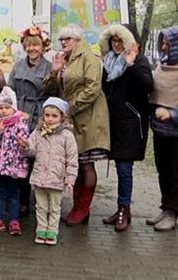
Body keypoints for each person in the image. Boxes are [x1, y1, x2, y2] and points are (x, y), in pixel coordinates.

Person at [44, 24, 110, 226]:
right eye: (61, 39)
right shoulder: (64, 59)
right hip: (72, 118)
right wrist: (54, 72)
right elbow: (53, 90)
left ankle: (83, 208)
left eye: (68, 39)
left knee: (86, 164)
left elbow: (93, 88)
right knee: (76, 163)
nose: (63, 42)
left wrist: (69, 108)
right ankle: (77, 207)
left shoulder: (88, 57)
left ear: (78, 41)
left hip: (89, 116)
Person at [100, 25, 153, 231]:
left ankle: (124, 209)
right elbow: (106, 89)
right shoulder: (110, 62)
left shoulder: (139, 61)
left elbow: (149, 85)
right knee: (119, 167)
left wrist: (130, 66)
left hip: (131, 122)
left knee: (124, 168)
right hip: (114, 122)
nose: (116, 44)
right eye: (113, 40)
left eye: (120, 40)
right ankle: (121, 208)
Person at [6, 25, 52, 217]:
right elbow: (10, 90)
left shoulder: (50, 67)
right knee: (22, 158)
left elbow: (54, 93)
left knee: (42, 159)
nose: (32, 49)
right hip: (22, 114)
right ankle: (23, 201)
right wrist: (14, 113)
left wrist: (46, 117)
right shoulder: (18, 66)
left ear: (42, 47)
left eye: (36, 45)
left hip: (41, 114)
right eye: (29, 45)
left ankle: (44, 203)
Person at [18, 97, 78, 245]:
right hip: (39, 177)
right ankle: (41, 229)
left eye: (54, 116)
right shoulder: (38, 132)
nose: (50, 119)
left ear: (62, 117)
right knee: (41, 206)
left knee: (55, 207)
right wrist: (25, 146)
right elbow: (31, 151)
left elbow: (72, 159)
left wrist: (70, 179)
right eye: (47, 115)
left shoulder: (67, 136)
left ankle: (52, 231)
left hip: (56, 178)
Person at [0, 87, 30, 236]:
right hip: (0, 165)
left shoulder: (20, 122)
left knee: (12, 194)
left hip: (14, 165)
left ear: (13, 108)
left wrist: (23, 142)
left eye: (7, 108)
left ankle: (14, 220)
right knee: (0, 193)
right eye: (1, 108)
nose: (3, 111)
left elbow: (25, 141)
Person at [146, 26, 178, 231]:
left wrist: (172, 114)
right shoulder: (160, 68)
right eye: (162, 42)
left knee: (175, 173)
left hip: (176, 133)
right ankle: (166, 206)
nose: (164, 47)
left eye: (168, 43)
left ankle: (173, 213)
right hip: (159, 131)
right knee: (163, 171)